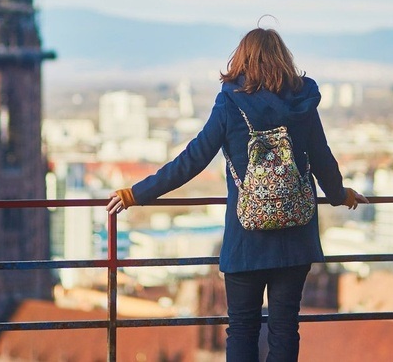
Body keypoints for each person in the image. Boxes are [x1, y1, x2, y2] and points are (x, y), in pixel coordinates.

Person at [107, 27, 367, 362]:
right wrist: (340, 195)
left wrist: (135, 194)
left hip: (248, 239)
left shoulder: (230, 103)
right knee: (285, 329)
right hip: (296, 238)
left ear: (241, 60)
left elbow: (193, 159)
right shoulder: (303, 103)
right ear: (284, 59)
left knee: (242, 328)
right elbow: (322, 160)